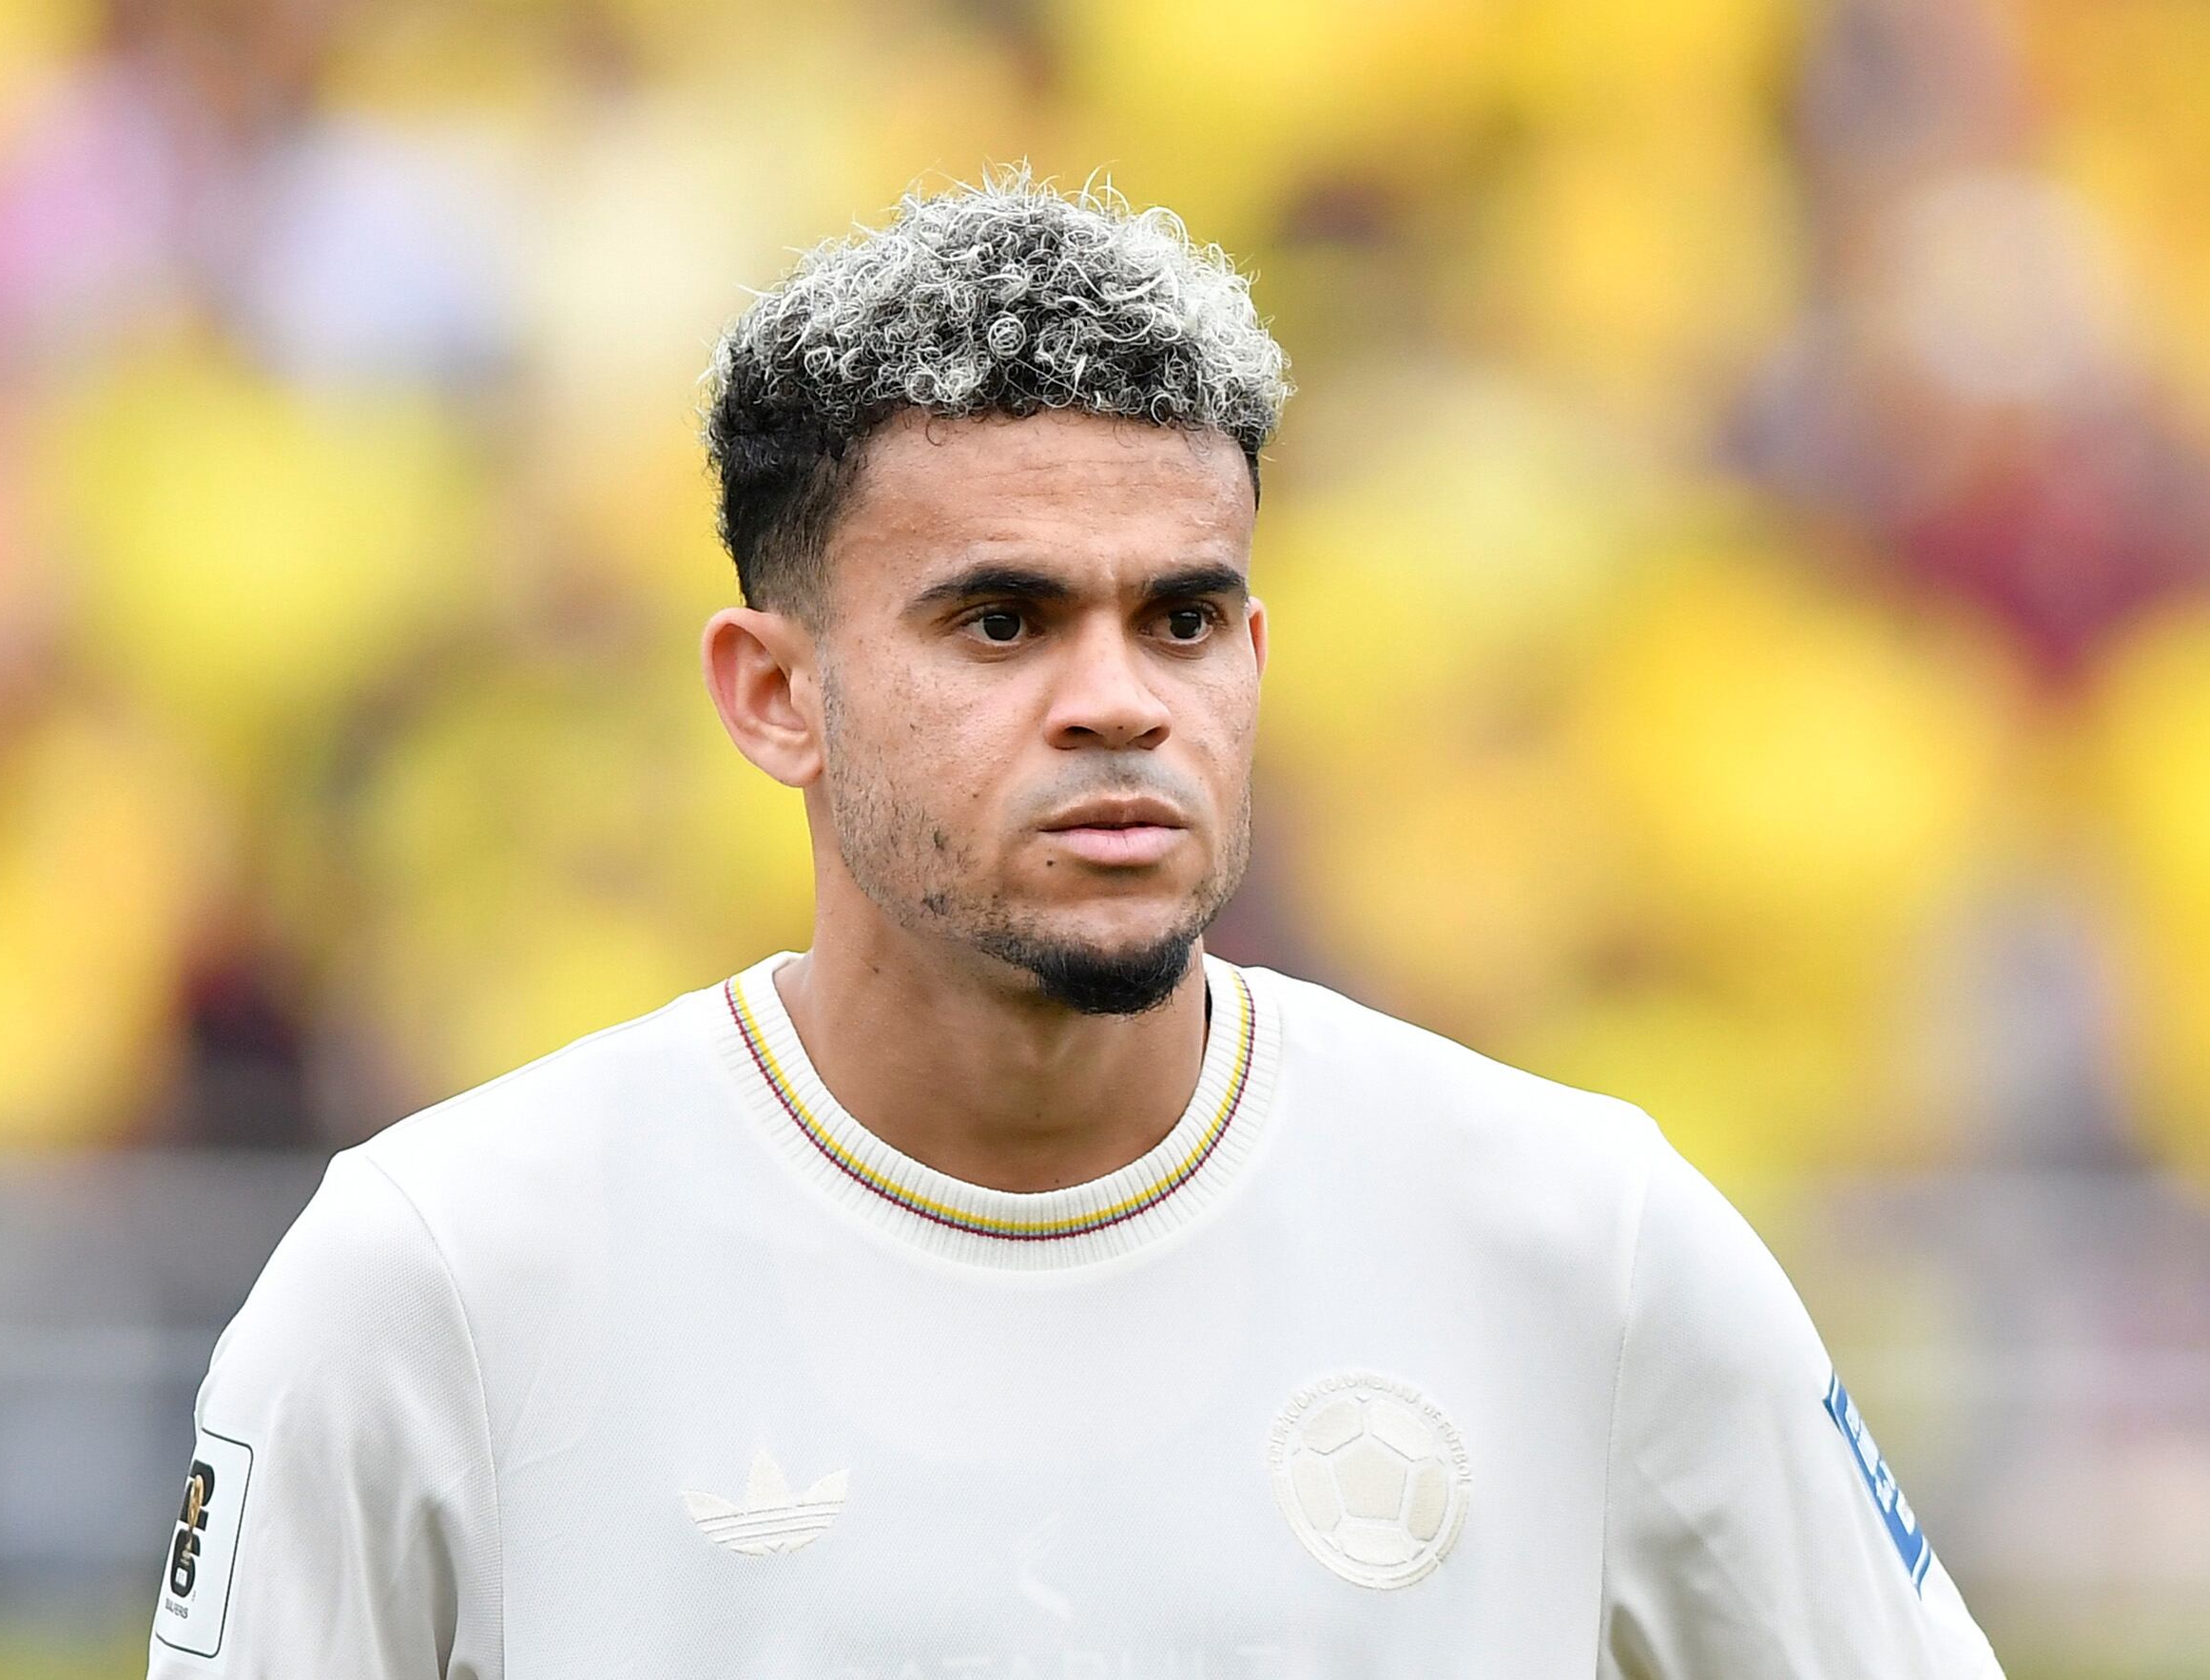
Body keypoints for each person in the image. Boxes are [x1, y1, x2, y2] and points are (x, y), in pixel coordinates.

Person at [143, 174, 2005, 1679]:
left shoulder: (1581, 1242)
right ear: (772, 691)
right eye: (1002, 621)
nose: (1121, 699)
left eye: (1184, 619)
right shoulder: (439, 1278)